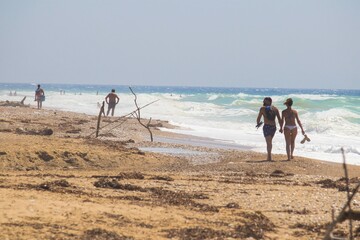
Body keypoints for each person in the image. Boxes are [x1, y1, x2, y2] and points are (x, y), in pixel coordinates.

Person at [256, 97, 282, 161]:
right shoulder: (275, 109)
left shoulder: (262, 108)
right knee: (270, 142)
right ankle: (269, 156)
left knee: (268, 142)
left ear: (269, 101)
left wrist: (258, 124)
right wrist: (281, 128)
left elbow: (258, 118)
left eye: (264, 101)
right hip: (273, 127)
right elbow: (279, 119)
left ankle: (269, 157)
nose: (263, 102)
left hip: (267, 126)